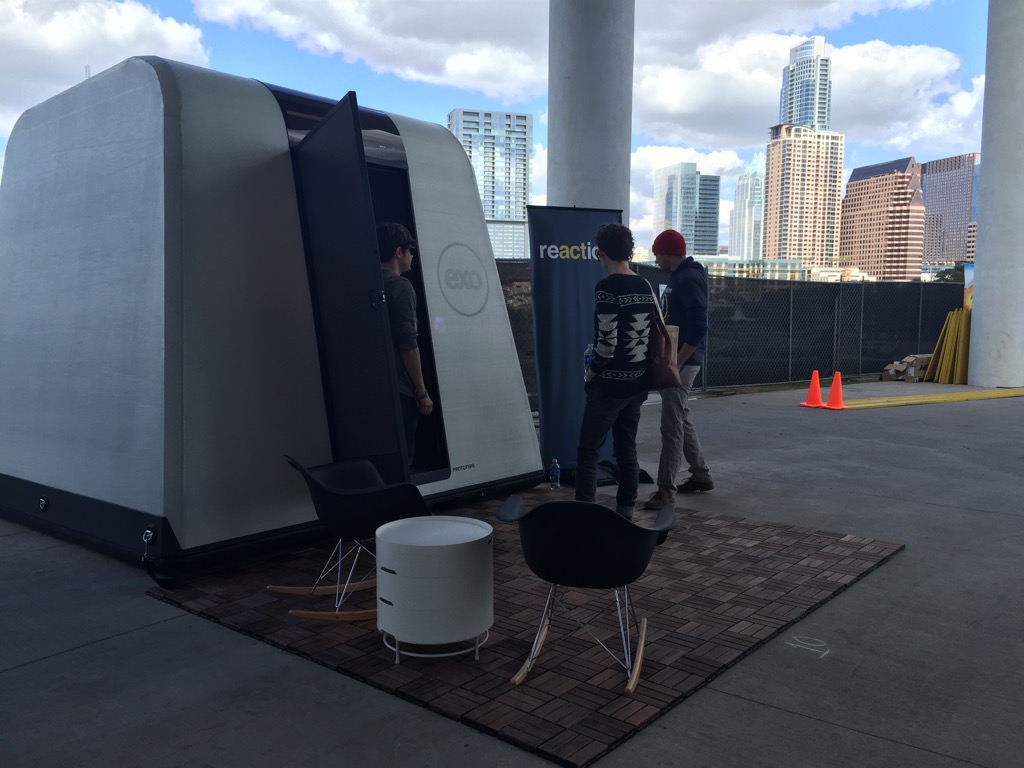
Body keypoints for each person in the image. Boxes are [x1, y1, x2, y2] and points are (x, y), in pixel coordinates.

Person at [575, 223, 657, 519]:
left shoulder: (607, 287)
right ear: (629, 251)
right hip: (638, 382)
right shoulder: (644, 285)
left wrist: (592, 371)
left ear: (601, 253)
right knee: (626, 449)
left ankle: (585, 517)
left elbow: (607, 342)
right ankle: (626, 513)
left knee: (588, 451)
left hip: (609, 386)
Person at [643, 228, 713, 510]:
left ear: (669, 253)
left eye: (657, 254)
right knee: (681, 418)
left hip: (683, 361)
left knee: (671, 425)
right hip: (680, 359)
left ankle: (665, 491)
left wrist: (678, 361)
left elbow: (700, 325)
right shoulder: (681, 276)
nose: (655, 260)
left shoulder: (689, 277)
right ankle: (700, 475)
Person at [378, 222, 433, 466]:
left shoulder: (364, 283)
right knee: (402, 462)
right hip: (400, 390)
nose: (413, 256)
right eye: (410, 250)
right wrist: (421, 392)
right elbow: (408, 343)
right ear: (398, 252)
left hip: (370, 388)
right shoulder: (400, 287)